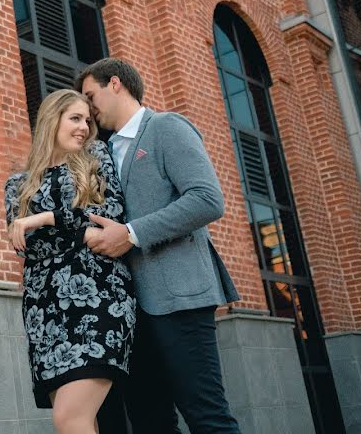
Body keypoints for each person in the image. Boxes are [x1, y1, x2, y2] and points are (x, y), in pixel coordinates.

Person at [76, 57, 241, 433]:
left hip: (178, 298)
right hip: (130, 312)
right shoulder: (101, 152)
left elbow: (207, 199)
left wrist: (130, 233)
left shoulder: (166, 127)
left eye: (91, 95)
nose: (88, 107)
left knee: (208, 417)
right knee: (151, 422)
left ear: (115, 83)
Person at [4, 89, 136, 434]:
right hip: (45, 312)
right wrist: (75, 228)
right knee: (83, 421)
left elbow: (108, 216)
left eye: (87, 120)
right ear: (52, 120)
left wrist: (41, 219)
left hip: (100, 299)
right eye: (75, 118)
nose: (84, 127)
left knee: (69, 418)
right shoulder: (18, 184)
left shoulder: (96, 159)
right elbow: (27, 248)